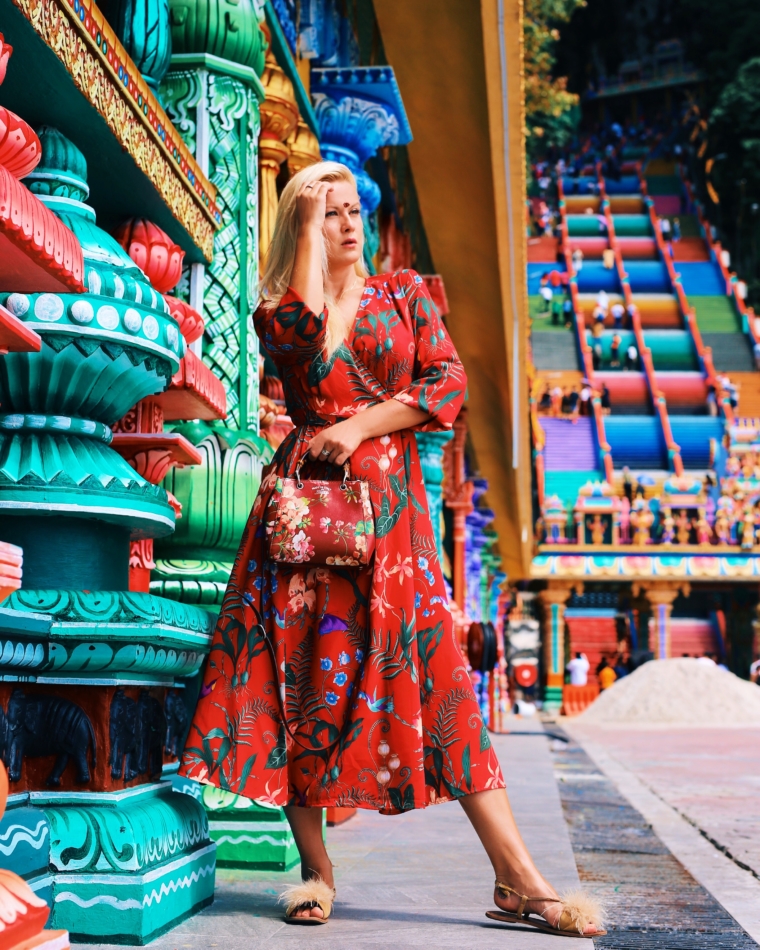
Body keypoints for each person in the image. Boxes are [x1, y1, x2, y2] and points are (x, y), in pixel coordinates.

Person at [177, 161, 603, 936]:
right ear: (302, 227)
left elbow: (446, 384)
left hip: (396, 535)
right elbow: (298, 347)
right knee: (299, 683)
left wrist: (359, 426)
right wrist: (302, 225)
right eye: (328, 214)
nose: (347, 224)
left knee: (445, 690)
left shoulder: (405, 294)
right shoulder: (284, 305)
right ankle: (316, 871)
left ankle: (519, 876)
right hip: (308, 524)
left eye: (352, 212)